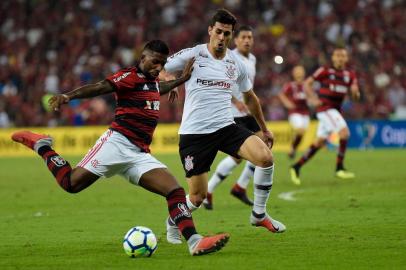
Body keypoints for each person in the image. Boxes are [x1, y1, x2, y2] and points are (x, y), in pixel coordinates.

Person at [11, 40, 229, 256]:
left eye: (162, 64)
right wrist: (68, 96)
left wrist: (180, 81)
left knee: (175, 191)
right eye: (154, 62)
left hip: (139, 154)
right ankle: (41, 145)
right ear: (142, 58)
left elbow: (157, 88)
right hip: (116, 143)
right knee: (70, 183)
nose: (159, 68)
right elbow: (99, 87)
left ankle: (194, 241)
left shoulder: (152, 80)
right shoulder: (129, 76)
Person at [163, 9, 286, 245]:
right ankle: (172, 221)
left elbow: (250, 98)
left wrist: (265, 128)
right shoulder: (193, 54)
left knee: (265, 157)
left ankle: (258, 214)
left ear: (231, 36)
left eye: (226, 34)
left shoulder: (235, 62)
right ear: (210, 30)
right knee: (197, 197)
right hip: (195, 135)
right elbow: (161, 67)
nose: (221, 37)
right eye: (218, 31)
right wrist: (169, 80)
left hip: (226, 127)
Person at [202, 25, 260, 210]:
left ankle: (238, 187)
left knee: (262, 146)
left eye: (250, 37)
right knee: (240, 156)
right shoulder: (230, 57)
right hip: (232, 112)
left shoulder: (252, 59)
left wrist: (249, 102)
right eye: (243, 37)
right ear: (236, 40)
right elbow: (222, 84)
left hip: (247, 113)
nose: (247, 40)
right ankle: (216, 189)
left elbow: (247, 87)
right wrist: (236, 101)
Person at [290, 48, 360, 185]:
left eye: (343, 56)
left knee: (319, 142)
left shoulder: (350, 74)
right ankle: (339, 168)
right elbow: (307, 83)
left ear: (346, 59)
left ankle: (296, 166)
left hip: (335, 111)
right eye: (337, 55)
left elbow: (355, 95)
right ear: (333, 58)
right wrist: (313, 99)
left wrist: (356, 93)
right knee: (344, 133)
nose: (340, 58)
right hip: (325, 109)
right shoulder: (325, 70)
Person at [278, 65, 310, 159]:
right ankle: (292, 148)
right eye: (297, 71)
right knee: (300, 130)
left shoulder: (307, 85)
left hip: (305, 113)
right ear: (294, 74)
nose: (299, 73)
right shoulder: (290, 85)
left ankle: (293, 149)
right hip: (295, 112)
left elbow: (312, 95)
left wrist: (312, 100)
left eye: (301, 71)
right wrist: (287, 103)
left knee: (301, 133)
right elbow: (281, 94)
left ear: (304, 73)